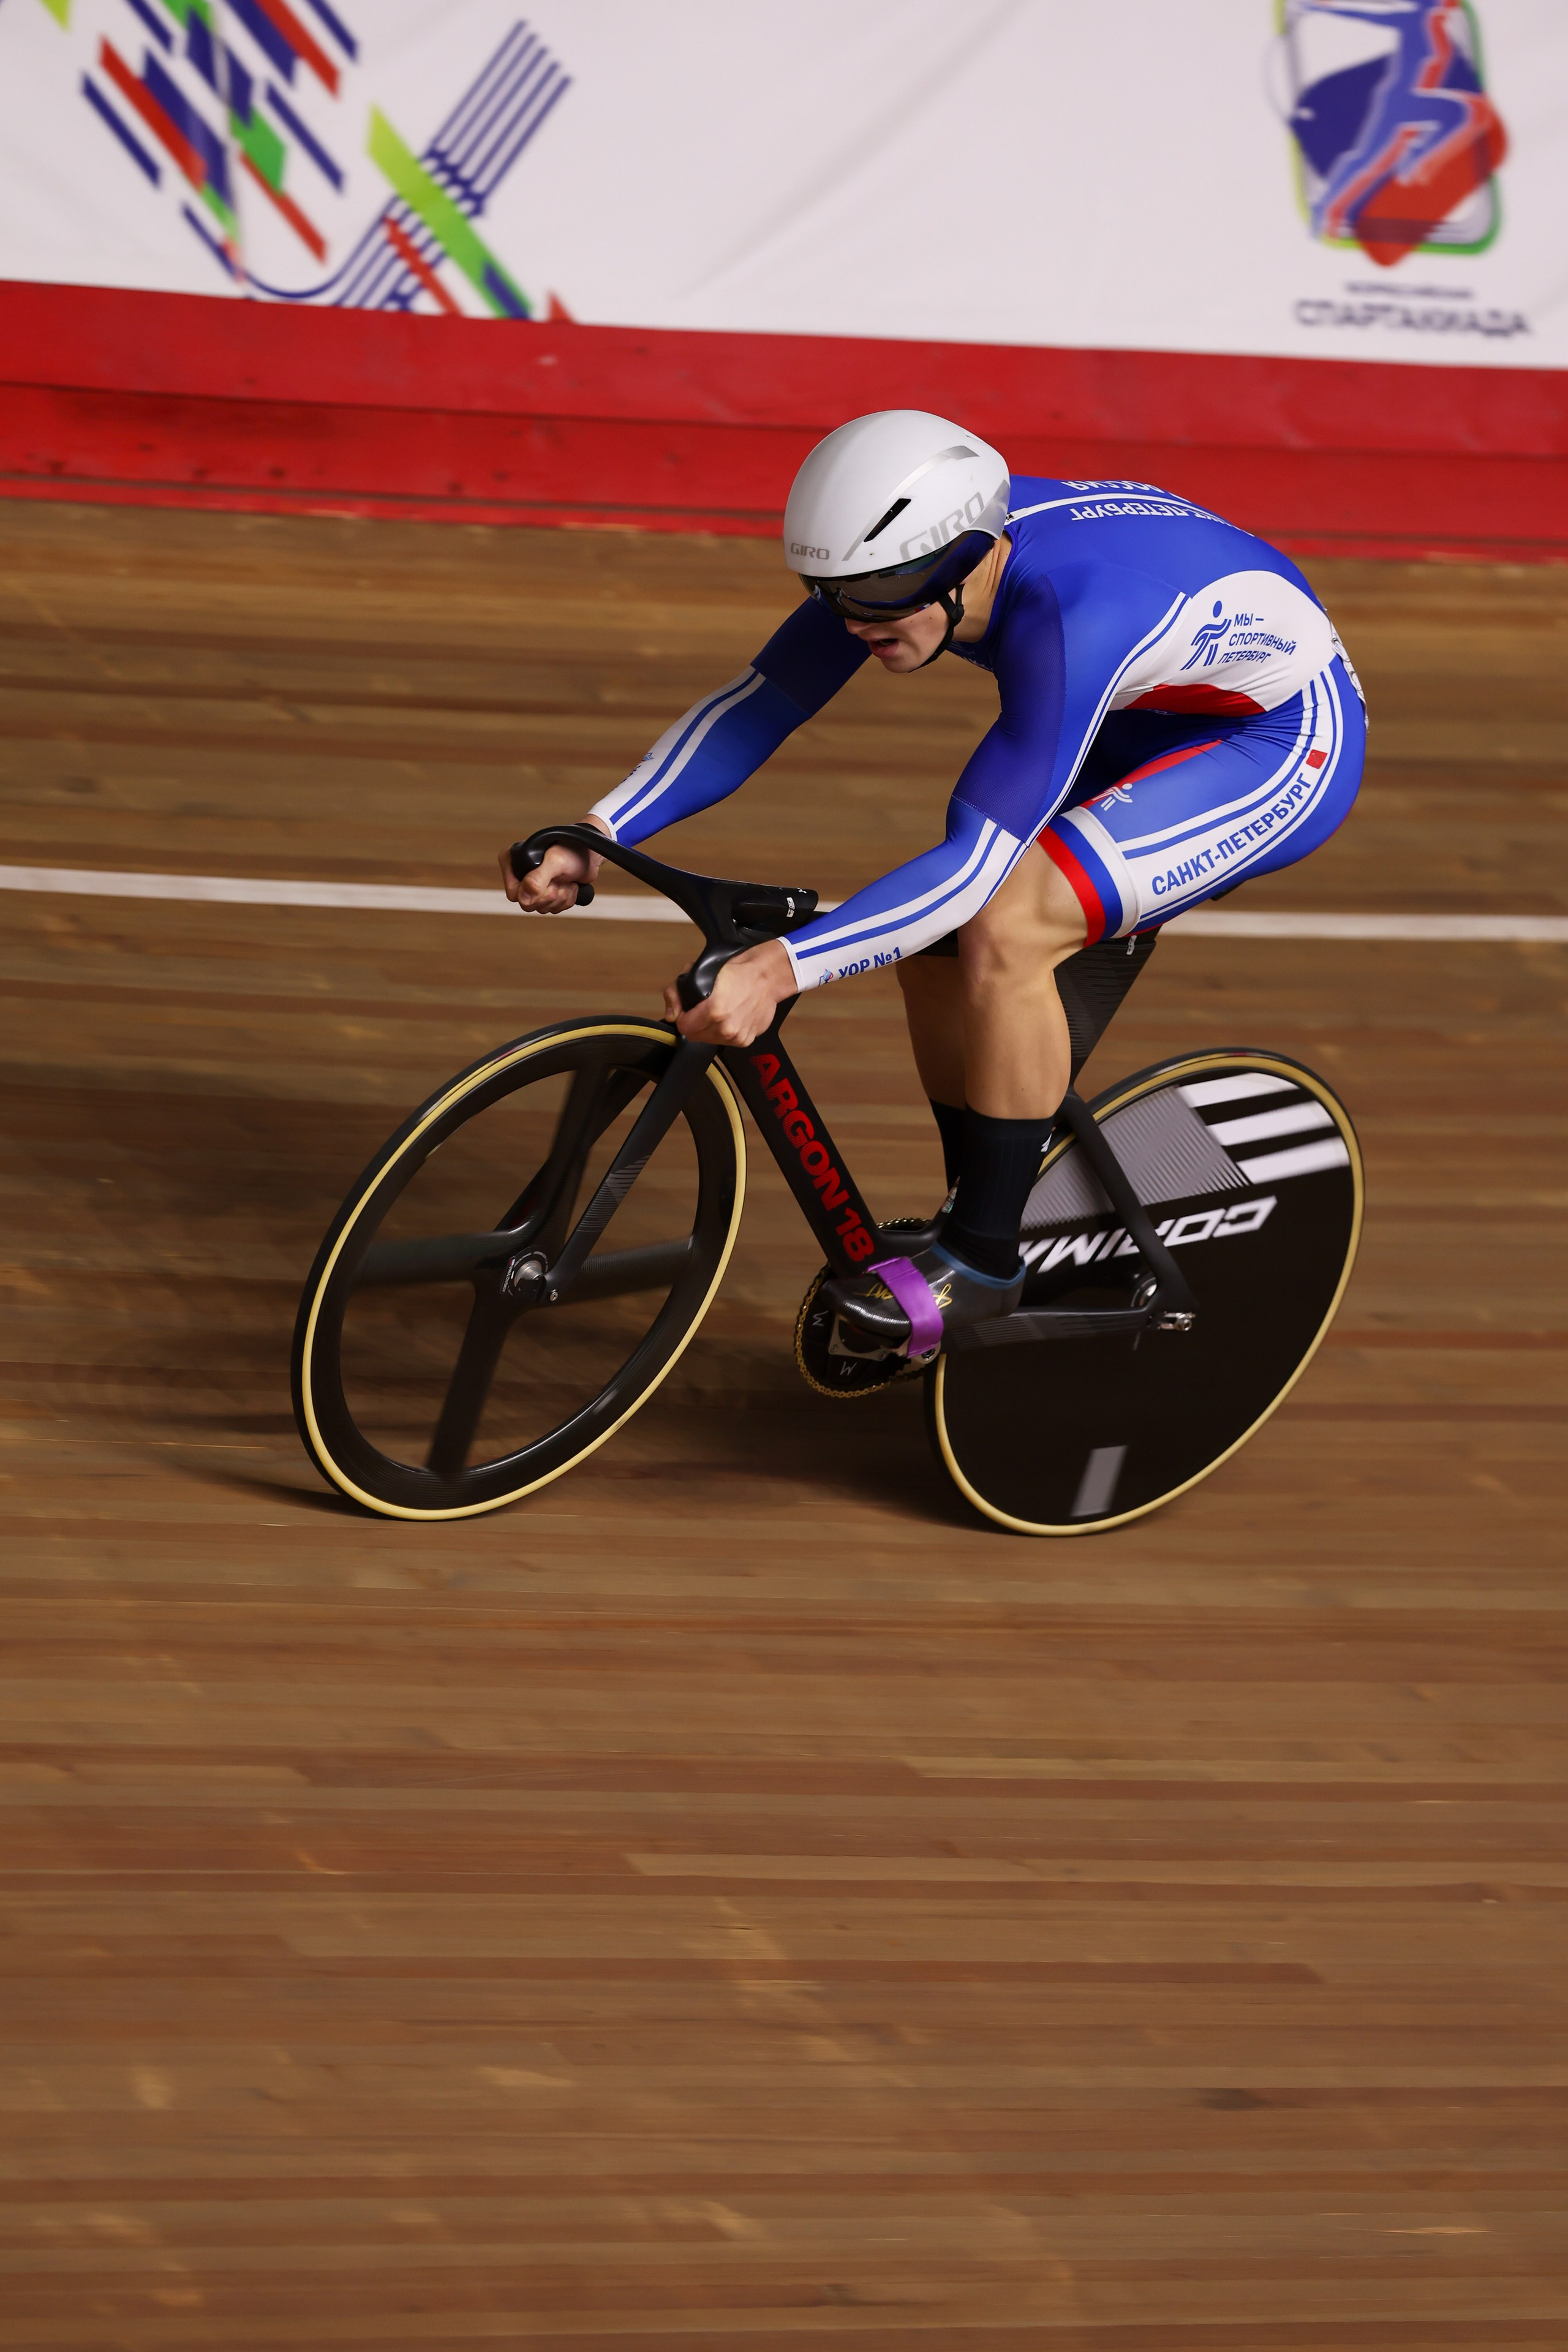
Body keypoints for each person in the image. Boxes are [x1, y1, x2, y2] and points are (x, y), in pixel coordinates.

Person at [501, 410, 1365, 1357]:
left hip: (1271, 742)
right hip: (1140, 704)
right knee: (937, 945)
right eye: (830, 593)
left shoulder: (1067, 613)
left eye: (882, 594)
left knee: (1006, 920)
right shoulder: (898, 565)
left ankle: (986, 1261)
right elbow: (761, 706)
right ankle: (989, 1201)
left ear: (967, 558)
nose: (857, 619)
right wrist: (601, 829)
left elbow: (975, 868)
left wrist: (778, 971)